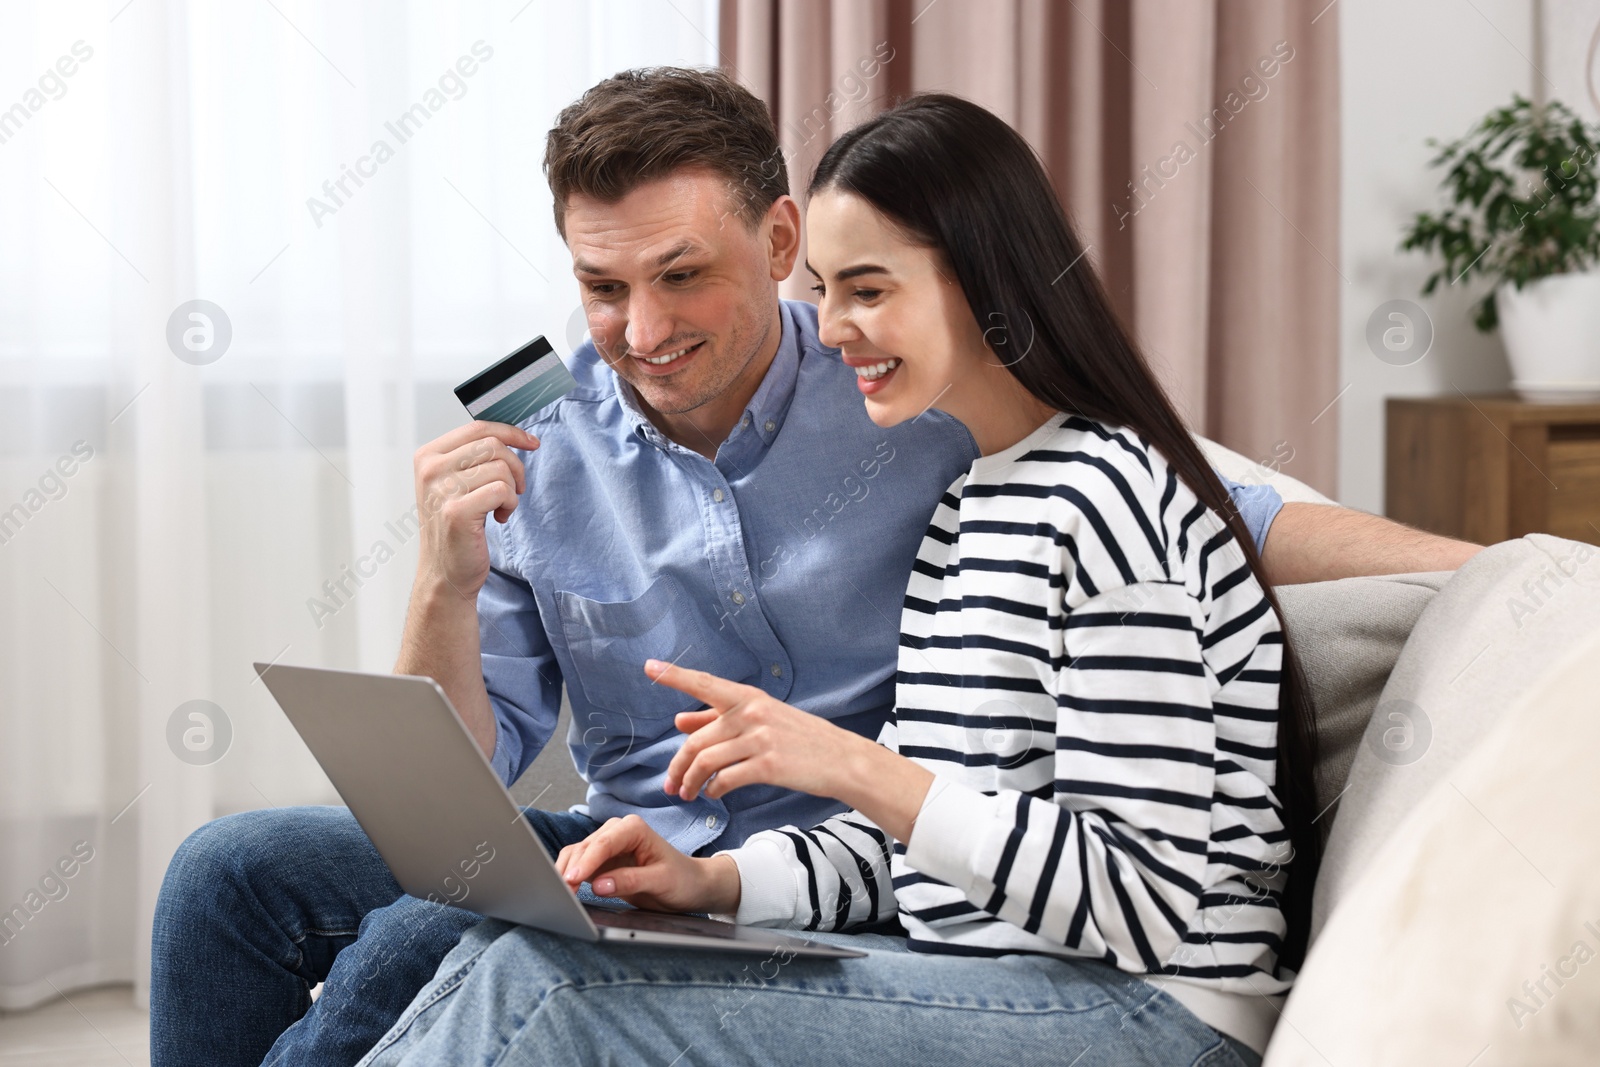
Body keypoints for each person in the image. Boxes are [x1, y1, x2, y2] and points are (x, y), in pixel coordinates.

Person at [148, 69, 1476, 1067]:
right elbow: (464, 787)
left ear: (779, 245)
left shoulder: (1003, 449)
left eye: (684, 277)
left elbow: (1221, 533)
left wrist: (1506, 566)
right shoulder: (586, 446)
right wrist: (443, 579)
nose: (641, 331)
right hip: (766, 869)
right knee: (245, 873)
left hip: (1041, 954)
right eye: (603, 288)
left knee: (476, 965)